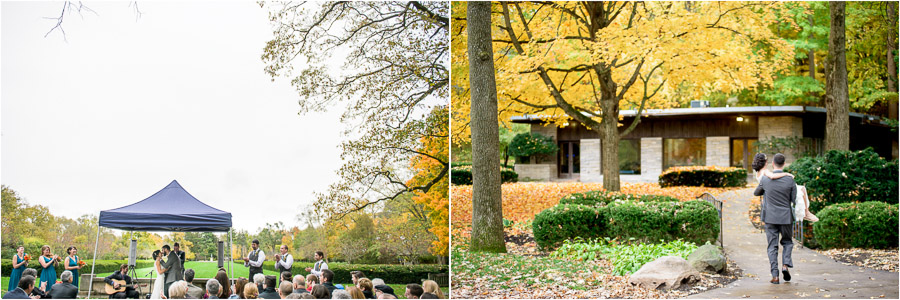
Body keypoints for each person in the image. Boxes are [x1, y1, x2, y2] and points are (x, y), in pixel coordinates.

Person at [754, 153, 798, 285]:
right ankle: (785, 265)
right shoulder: (790, 180)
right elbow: (793, 199)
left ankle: (775, 276)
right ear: (784, 164)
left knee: (772, 247)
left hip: (770, 218)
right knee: (787, 242)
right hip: (785, 218)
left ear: (773, 164)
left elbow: (756, 193)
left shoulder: (766, 180)